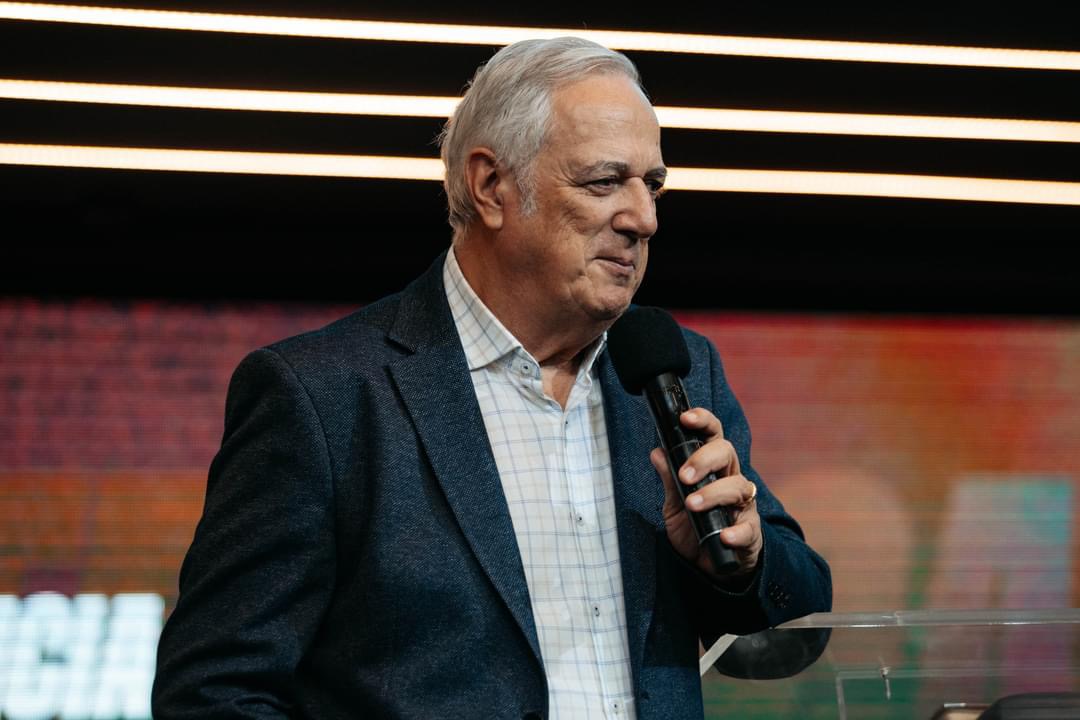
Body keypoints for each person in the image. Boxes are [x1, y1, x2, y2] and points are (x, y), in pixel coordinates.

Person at [152, 37, 831, 719]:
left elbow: (795, 617)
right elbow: (214, 691)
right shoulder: (322, 397)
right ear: (491, 187)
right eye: (604, 182)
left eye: (651, 185)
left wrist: (742, 562)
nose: (644, 219)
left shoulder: (675, 374)